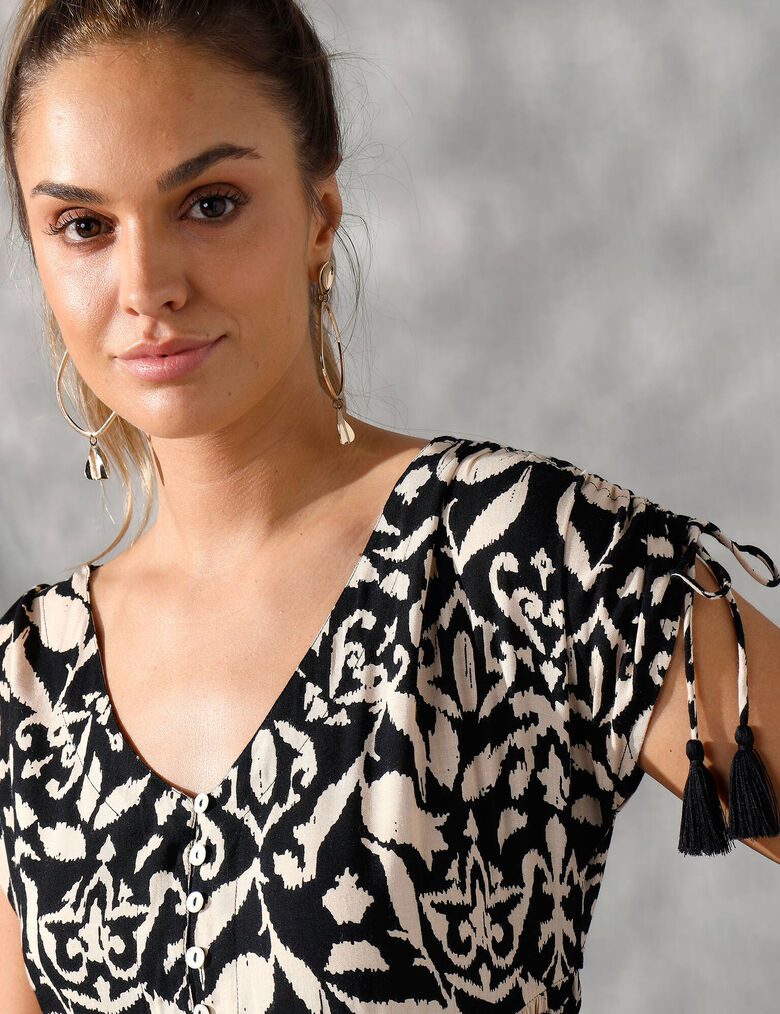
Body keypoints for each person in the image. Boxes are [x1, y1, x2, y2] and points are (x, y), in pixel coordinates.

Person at [0, 2, 777, 1012]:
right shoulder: (29, 683)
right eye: (84, 226)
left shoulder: (520, 552)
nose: (146, 285)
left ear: (319, 216)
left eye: (210, 204)